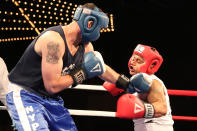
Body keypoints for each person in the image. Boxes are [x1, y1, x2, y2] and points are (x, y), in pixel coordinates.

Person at [6, 3, 131, 131]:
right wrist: (82, 72)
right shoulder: (53, 42)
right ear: (90, 23)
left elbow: (99, 68)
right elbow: (52, 86)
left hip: (51, 100)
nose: (99, 34)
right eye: (100, 29)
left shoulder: (86, 46)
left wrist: (126, 83)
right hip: (26, 94)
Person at [103, 44, 174, 131]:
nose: (133, 62)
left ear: (151, 65)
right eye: (133, 59)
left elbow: (162, 109)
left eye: (138, 61)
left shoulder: (153, 82)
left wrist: (141, 109)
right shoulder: (135, 82)